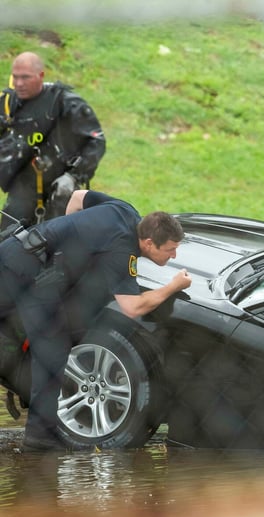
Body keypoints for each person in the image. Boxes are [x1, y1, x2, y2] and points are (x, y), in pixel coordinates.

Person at [0, 189, 192, 450]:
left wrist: (69, 248)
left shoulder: (125, 210)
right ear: (148, 243)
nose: (174, 256)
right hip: (25, 275)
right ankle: (40, 441)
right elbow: (132, 306)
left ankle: (40, 436)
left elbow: (78, 196)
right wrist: (173, 286)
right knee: (53, 355)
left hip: (16, 252)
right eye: (170, 250)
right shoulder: (121, 252)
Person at [0, 51, 105, 229]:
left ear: (41, 76)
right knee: (8, 244)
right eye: (15, 77)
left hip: (60, 192)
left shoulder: (66, 103)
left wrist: (73, 176)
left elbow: (96, 142)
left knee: (56, 243)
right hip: (22, 191)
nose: (19, 84)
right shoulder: (8, 104)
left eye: (25, 77)